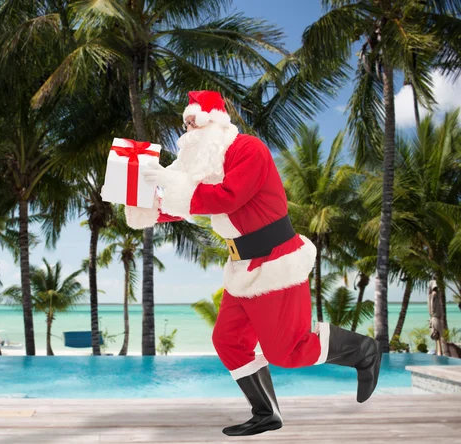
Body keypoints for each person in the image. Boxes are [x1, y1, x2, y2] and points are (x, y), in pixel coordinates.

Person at [124, 90, 382, 437]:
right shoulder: (206, 164)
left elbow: (228, 196)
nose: (188, 131)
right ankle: (266, 413)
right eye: (185, 124)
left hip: (276, 260)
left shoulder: (249, 149)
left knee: (287, 352)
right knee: (229, 340)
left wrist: (170, 187)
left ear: (215, 122)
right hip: (242, 267)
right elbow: (187, 200)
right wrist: (146, 204)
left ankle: (363, 350)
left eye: (193, 122)